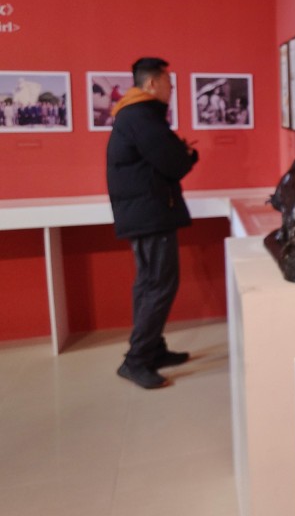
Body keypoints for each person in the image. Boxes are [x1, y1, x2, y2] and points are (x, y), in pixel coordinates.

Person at [107, 57, 199, 389]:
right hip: (150, 213)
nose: (171, 90)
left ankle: (153, 349)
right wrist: (187, 155)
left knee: (149, 284)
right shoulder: (141, 116)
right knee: (159, 285)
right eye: (168, 83)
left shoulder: (132, 114)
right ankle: (136, 360)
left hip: (144, 211)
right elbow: (173, 162)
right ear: (151, 83)